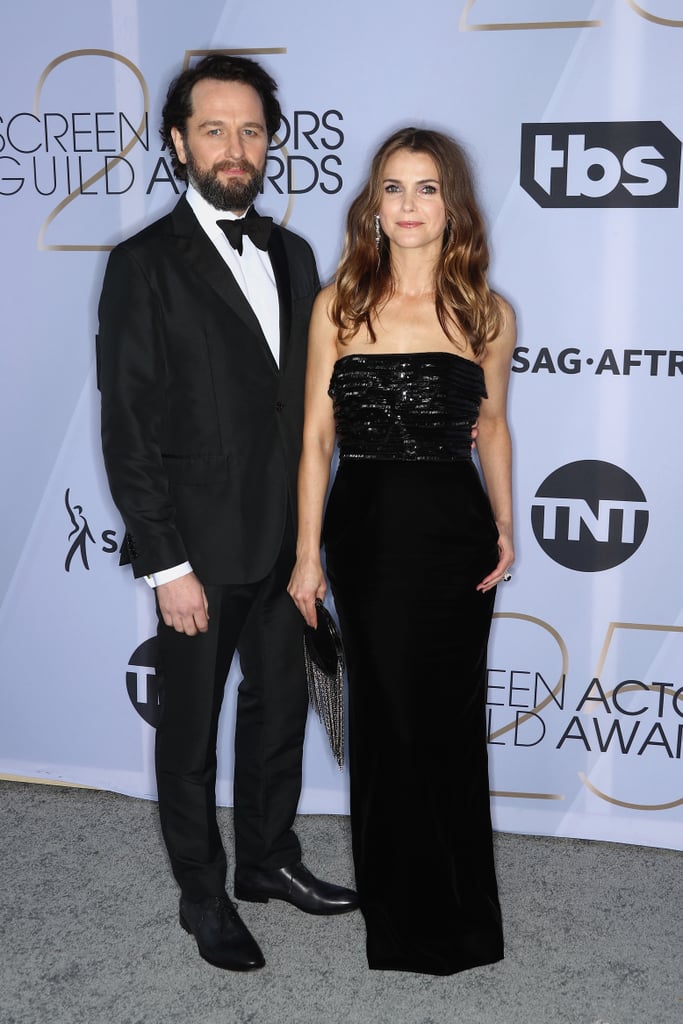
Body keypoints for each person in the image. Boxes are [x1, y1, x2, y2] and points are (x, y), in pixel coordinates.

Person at [97, 54, 358, 974]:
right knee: (192, 736)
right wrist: (166, 565)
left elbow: (306, 414)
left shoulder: (292, 254)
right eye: (214, 129)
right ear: (177, 142)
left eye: (250, 130)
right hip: (198, 556)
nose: (235, 147)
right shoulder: (141, 266)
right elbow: (127, 426)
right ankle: (203, 896)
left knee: (282, 708)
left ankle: (268, 861)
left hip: (287, 544)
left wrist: (313, 543)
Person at [288, 127, 515, 975]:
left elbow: (490, 427)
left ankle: (461, 920)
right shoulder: (339, 303)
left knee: (449, 725)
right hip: (368, 533)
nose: (409, 205)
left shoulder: (487, 313)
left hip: (455, 535)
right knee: (387, 724)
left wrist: (504, 523)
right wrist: (307, 555)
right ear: (372, 205)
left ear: (451, 204)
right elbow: (315, 439)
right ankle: (399, 920)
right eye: (393, 188)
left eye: (426, 188)